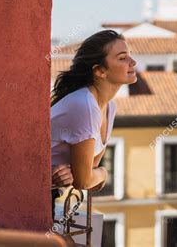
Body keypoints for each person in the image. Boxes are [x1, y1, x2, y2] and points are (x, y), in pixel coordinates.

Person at [49, 30, 137, 219]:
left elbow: (89, 171)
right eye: (122, 58)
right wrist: (104, 173)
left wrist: (88, 175)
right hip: (28, 194)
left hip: (51, 194)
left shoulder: (108, 107)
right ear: (99, 71)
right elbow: (84, 180)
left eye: (130, 55)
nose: (133, 62)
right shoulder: (84, 104)